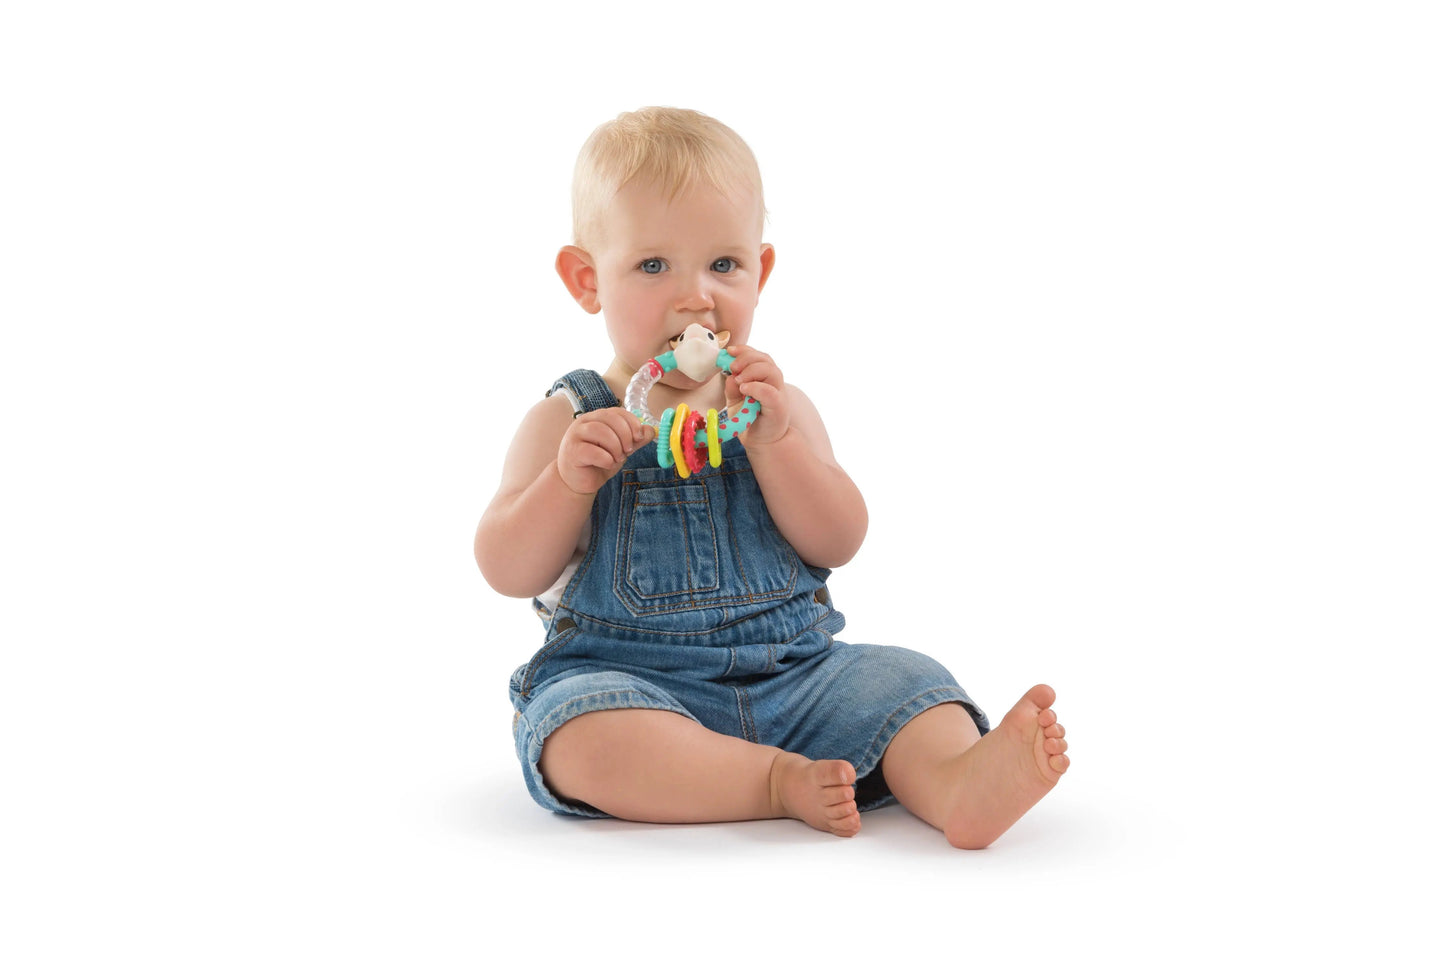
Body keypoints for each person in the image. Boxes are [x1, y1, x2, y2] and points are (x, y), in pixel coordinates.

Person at [474, 107, 1069, 848]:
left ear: (762, 272)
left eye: (723, 265)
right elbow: (506, 568)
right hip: (632, 683)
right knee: (580, 737)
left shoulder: (775, 410)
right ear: (587, 280)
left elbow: (838, 539)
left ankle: (954, 781)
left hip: (797, 677)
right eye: (653, 266)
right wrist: (566, 483)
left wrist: (778, 444)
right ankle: (769, 781)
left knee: (907, 682)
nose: (696, 296)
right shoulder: (570, 420)